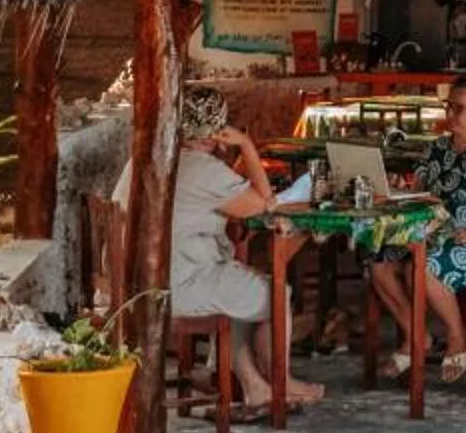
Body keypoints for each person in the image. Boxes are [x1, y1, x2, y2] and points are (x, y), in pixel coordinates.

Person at [115, 105, 321, 412]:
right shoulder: (203, 168)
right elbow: (264, 205)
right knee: (277, 293)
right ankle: (281, 383)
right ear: (215, 131)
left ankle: (253, 385)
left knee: (237, 285)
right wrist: (247, 146)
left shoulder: (144, 157)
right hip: (174, 284)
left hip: (134, 281)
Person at [369, 70, 466, 384]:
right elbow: (423, 193)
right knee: (379, 264)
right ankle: (418, 338)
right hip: (437, 234)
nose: (450, 114)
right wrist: (401, 189)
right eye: (448, 106)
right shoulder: (437, 149)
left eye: (459, 108)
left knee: (421, 267)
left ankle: (457, 338)